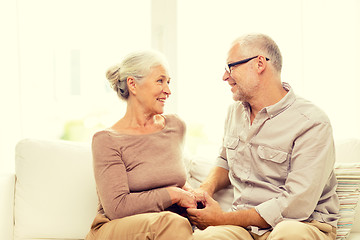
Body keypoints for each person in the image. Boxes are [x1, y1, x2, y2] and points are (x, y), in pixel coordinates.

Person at [187, 33, 340, 240]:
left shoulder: (312, 122)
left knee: (288, 234)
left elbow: (296, 206)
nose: (225, 76)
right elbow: (225, 160)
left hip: (302, 224)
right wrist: (205, 188)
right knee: (205, 238)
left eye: (231, 67)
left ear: (259, 64)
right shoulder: (234, 113)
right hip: (243, 225)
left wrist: (222, 219)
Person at [85, 50, 196, 240]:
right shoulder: (106, 140)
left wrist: (192, 194)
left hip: (171, 229)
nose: (168, 90)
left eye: (168, 82)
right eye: (160, 81)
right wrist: (173, 194)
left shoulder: (175, 126)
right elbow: (117, 208)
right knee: (172, 222)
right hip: (116, 228)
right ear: (133, 84)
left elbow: (169, 177)